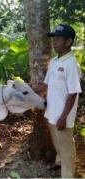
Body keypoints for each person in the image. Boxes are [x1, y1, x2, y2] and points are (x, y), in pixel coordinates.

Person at [39, 24, 82, 178]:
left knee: (66, 149)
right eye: (54, 38)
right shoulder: (55, 61)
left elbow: (73, 94)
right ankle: (62, 165)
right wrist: (24, 90)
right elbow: (45, 85)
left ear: (68, 41)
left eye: (58, 38)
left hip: (63, 116)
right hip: (52, 112)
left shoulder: (71, 64)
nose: (54, 42)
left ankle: (68, 175)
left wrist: (63, 117)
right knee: (58, 145)